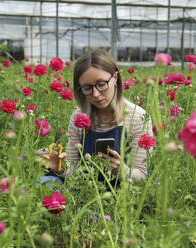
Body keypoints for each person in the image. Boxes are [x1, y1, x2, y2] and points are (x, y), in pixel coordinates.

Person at [42, 49, 153, 187]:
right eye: (88, 88)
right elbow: (74, 170)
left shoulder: (138, 117)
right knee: (43, 184)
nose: (96, 94)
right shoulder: (79, 118)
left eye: (101, 84)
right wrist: (60, 167)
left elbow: (142, 176)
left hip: (122, 191)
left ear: (115, 78)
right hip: (85, 186)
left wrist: (121, 170)